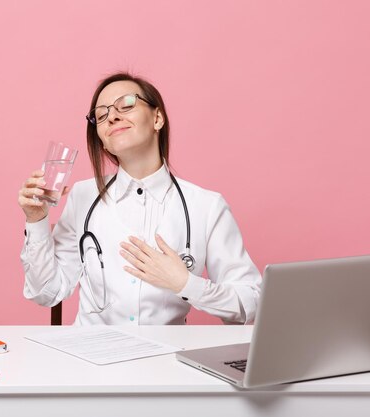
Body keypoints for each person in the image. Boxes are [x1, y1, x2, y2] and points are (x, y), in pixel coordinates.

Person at [18, 72, 261, 325]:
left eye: (127, 104)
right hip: (92, 357)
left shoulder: (207, 206)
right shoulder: (82, 196)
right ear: (103, 141)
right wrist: (36, 220)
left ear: (157, 118)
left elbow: (251, 303)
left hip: (165, 358)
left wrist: (186, 284)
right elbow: (46, 292)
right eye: (101, 115)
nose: (112, 116)